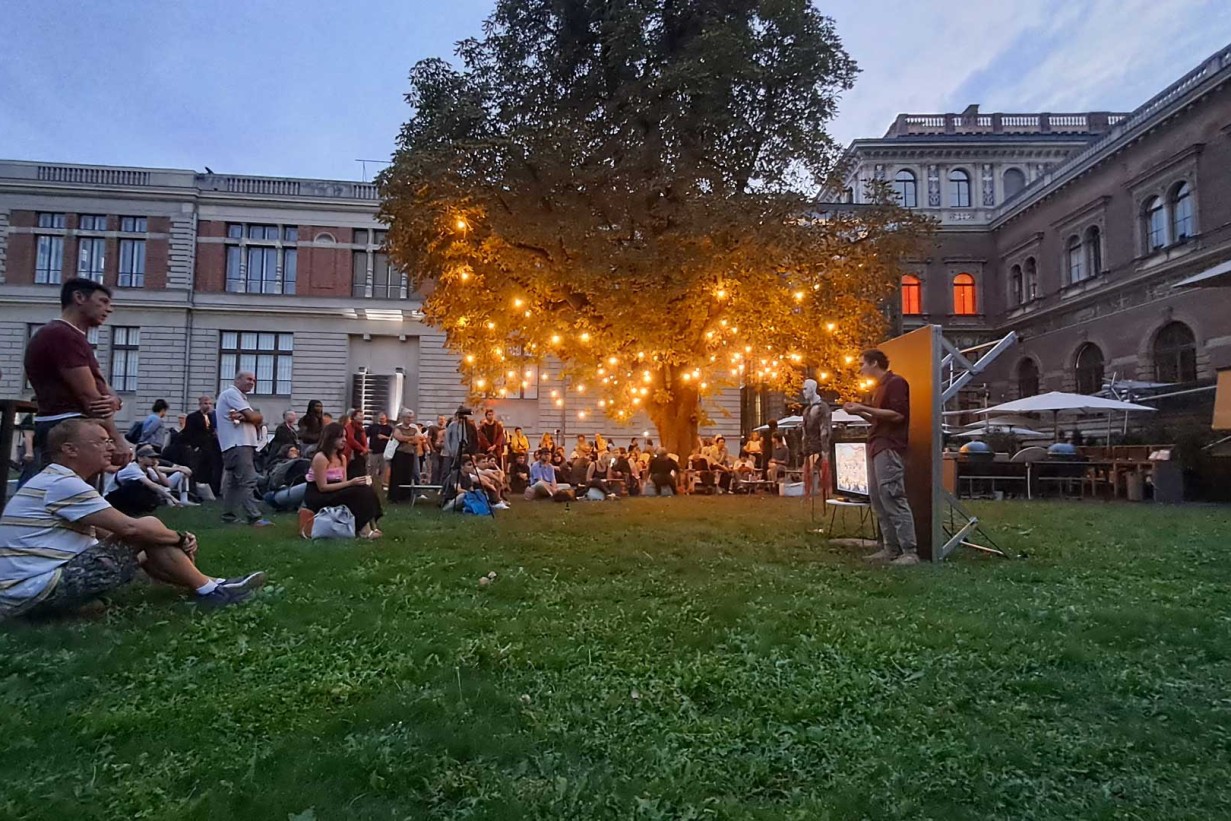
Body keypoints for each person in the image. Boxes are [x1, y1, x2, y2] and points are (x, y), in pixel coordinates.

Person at [0, 419, 266, 619]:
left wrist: (160, 543)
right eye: (101, 442)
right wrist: (179, 537)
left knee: (148, 537)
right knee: (147, 526)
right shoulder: (63, 484)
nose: (111, 447)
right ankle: (211, 590)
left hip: (21, 592)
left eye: (109, 441)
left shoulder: (54, 480)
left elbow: (108, 535)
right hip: (31, 590)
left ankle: (209, 584)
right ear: (70, 449)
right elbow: (129, 528)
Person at [23, 278, 131, 469]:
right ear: (79, 297)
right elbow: (91, 398)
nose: (109, 309)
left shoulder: (72, 337)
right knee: (68, 485)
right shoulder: (61, 335)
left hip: (74, 426)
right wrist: (116, 439)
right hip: (68, 427)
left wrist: (116, 400)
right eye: (103, 301)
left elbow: (101, 385)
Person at [843, 349, 919, 566]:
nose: (860, 369)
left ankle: (909, 551)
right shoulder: (879, 388)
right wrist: (860, 412)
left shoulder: (896, 383)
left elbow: (898, 415)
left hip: (889, 446)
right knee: (878, 499)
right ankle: (890, 548)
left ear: (874, 363)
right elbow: (880, 420)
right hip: (877, 445)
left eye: (862, 364)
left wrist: (863, 408)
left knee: (892, 496)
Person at [304, 423, 383, 539]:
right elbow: (322, 487)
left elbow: (343, 483)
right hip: (319, 494)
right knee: (360, 493)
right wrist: (351, 483)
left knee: (366, 489)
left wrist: (356, 483)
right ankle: (364, 530)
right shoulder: (321, 457)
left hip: (335, 490)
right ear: (331, 438)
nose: (344, 440)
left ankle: (371, 524)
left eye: (345, 437)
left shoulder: (342, 458)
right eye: (341, 437)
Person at [215, 371, 271, 527]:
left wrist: (248, 417)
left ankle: (228, 516)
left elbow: (257, 419)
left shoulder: (238, 397)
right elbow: (256, 418)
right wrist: (252, 417)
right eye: (248, 379)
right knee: (248, 480)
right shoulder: (232, 394)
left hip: (235, 445)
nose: (252, 382)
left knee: (233, 483)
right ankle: (254, 517)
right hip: (238, 444)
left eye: (254, 380)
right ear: (237, 380)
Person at [105, 445, 194, 515]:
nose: (154, 460)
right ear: (140, 458)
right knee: (137, 486)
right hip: (110, 498)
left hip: (120, 497)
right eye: (151, 458)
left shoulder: (146, 469)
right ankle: (131, 510)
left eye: (155, 458)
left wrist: (157, 469)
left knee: (148, 492)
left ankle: (137, 511)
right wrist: (172, 498)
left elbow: (166, 484)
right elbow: (152, 485)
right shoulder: (133, 469)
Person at [182, 395, 222, 498]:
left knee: (210, 470)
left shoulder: (211, 417)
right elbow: (189, 433)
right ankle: (196, 491)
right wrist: (195, 446)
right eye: (205, 403)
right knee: (198, 470)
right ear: (200, 404)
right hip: (199, 448)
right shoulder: (193, 417)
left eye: (209, 404)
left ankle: (210, 491)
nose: (208, 406)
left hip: (210, 448)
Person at [388, 409, 424, 503]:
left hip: (410, 454)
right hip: (400, 454)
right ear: (403, 418)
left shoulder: (414, 429)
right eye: (408, 417)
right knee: (397, 476)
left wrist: (407, 439)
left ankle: (405, 497)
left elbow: (417, 440)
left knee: (408, 475)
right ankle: (395, 496)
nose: (410, 419)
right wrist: (410, 438)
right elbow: (399, 437)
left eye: (411, 417)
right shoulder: (398, 428)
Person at [365, 411, 393, 486]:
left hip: (384, 452)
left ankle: (380, 485)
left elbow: (392, 439)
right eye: (380, 418)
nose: (381, 419)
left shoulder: (389, 428)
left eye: (383, 418)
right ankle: (369, 484)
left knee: (383, 469)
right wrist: (366, 446)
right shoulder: (373, 427)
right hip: (373, 451)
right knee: (371, 468)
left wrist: (384, 437)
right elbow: (364, 436)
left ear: (386, 418)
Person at [342, 408, 369, 480]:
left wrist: (365, 448)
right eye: (360, 415)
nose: (362, 417)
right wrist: (362, 448)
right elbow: (350, 439)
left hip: (361, 454)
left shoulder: (361, 428)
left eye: (362, 415)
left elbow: (364, 439)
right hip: (352, 454)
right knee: (353, 472)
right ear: (354, 417)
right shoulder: (349, 426)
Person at [426, 414, 448, 484]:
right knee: (435, 467)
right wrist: (432, 449)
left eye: (443, 419)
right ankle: (434, 483)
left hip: (443, 451)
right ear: (437, 420)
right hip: (435, 451)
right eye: (440, 419)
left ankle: (440, 483)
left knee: (442, 468)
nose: (442, 421)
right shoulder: (432, 428)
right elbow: (428, 439)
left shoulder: (446, 430)